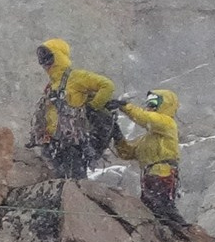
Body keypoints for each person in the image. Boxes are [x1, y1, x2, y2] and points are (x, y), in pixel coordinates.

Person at [32, 36, 120, 179]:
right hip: (52, 144)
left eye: (48, 58)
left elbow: (107, 85)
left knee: (72, 181)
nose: (45, 64)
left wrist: (93, 107)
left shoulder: (76, 77)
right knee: (58, 181)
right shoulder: (52, 84)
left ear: (58, 56)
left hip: (72, 144)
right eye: (42, 60)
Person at [114, 87, 182, 220]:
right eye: (148, 103)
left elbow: (146, 118)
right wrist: (117, 136)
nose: (149, 106)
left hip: (163, 174)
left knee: (161, 207)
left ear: (165, 104)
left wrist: (124, 106)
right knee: (154, 208)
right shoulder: (149, 137)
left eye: (154, 102)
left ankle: (182, 231)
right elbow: (127, 153)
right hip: (151, 177)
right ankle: (177, 232)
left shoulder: (167, 123)